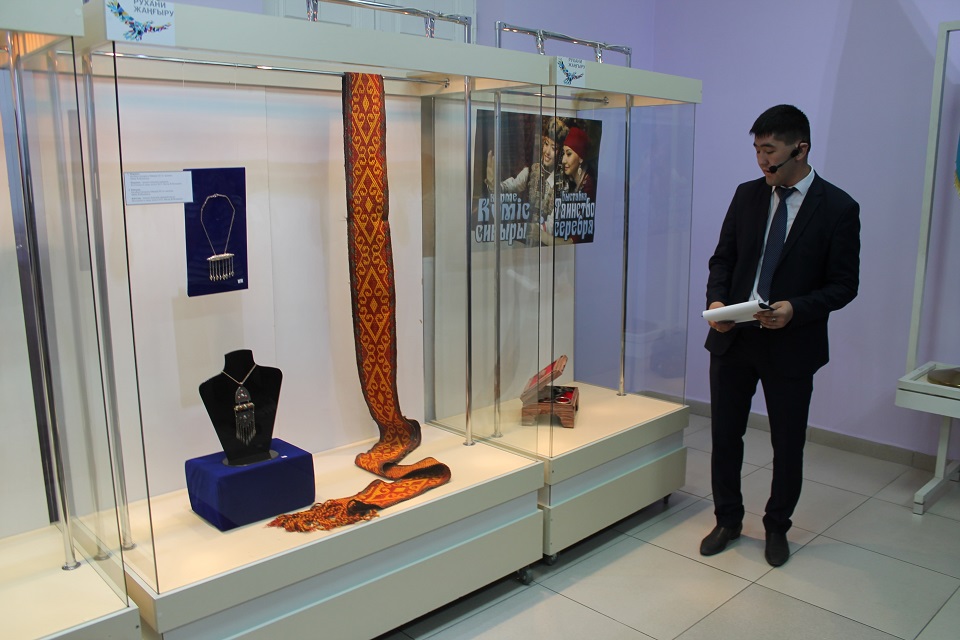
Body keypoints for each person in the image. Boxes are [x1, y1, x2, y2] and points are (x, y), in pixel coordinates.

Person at [701, 104, 860, 567]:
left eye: (769, 150)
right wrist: (717, 303)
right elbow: (723, 260)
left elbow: (844, 285)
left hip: (792, 344)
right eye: (756, 150)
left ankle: (776, 526)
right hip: (734, 337)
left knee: (787, 443)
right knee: (725, 436)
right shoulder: (746, 195)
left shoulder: (838, 208)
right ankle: (728, 519)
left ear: (800, 149)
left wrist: (795, 309)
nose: (761, 161)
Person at [486, 117, 568, 240]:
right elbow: (512, 185)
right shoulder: (533, 170)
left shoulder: (563, 182)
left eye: (554, 148)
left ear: (560, 152)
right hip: (525, 238)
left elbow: (553, 224)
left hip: (545, 242)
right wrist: (494, 184)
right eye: (546, 144)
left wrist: (529, 230)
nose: (547, 152)